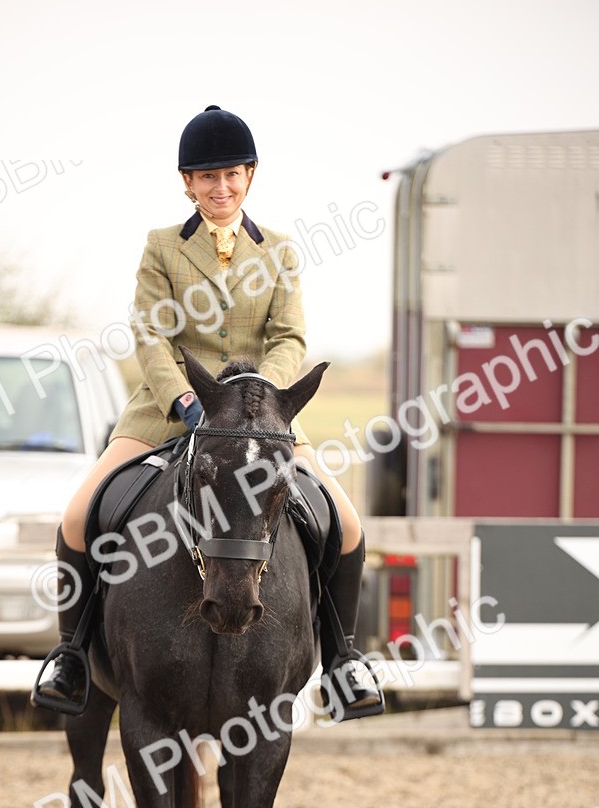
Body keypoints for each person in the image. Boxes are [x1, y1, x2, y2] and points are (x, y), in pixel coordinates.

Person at [32, 106, 382, 720]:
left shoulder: (280, 250)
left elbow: (290, 339)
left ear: (250, 175)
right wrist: (187, 398)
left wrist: (255, 401)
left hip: (258, 420)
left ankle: (343, 661)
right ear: (187, 184)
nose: (220, 188)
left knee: (347, 525)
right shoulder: (162, 247)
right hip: (168, 413)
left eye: (231, 175)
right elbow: (151, 336)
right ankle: (71, 655)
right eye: (206, 178)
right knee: (76, 517)